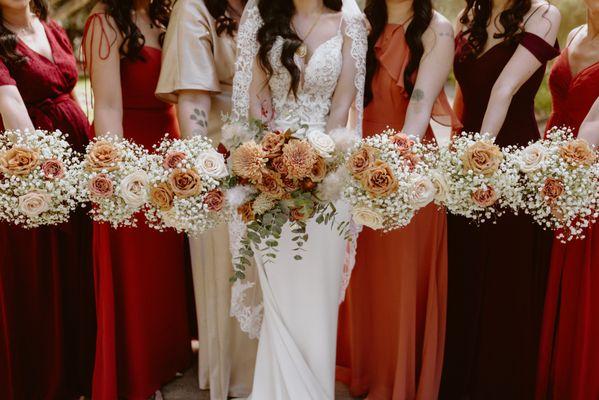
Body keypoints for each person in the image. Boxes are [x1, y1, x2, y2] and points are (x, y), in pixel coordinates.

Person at [232, 0, 367, 398]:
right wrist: (265, 165)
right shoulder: (260, 13)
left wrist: (317, 162)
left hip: (326, 181)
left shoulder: (350, 21)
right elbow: (252, 102)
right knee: (283, 300)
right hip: (268, 174)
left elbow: (342, 105)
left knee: (317, 302)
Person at [336, 0, 458, 398]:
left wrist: (389, 173)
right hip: (359, 164)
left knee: (400, 283)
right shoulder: (359, 23)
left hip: (409, 173)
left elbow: (417, 116)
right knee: (363, 279)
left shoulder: (436, 30)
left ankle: (397, 381)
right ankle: (366, 374)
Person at [439, 1, 561, 399]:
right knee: (465, 267)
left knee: (504, 278)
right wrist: (455, 155)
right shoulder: (468, 15)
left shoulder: (544, 15)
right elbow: (461, 91)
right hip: (467, 155)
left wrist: (479, 161)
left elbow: (503, 90)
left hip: (511, 159)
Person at [83, 1, 192, 398]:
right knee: (134, 265)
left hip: (170, 152)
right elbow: (108, 108)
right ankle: (137, 369)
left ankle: (168, 357)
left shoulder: (165, 18)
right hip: (130, 154)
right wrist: (119, 175)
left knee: (163, 266)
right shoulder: (105, 21)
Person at [156, 1, 258, 398]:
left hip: (274, 146)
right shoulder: (193, 7)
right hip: (220, 146)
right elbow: (193, 99)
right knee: (226, 262)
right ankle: (236, 377)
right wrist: (204, 169)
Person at [0, 0, 95, 398]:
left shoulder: (52, 27)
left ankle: (89, 370)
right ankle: (50, 380)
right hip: (37, 167)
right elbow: (12, 109)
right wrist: (44, 177)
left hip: (79, 152)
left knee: (82, 264)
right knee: (45, 272)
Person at [536, 4, 599, 398]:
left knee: (583, 276)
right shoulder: (575, 33)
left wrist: (572, 176)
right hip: (551, 161)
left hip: (588, 171)